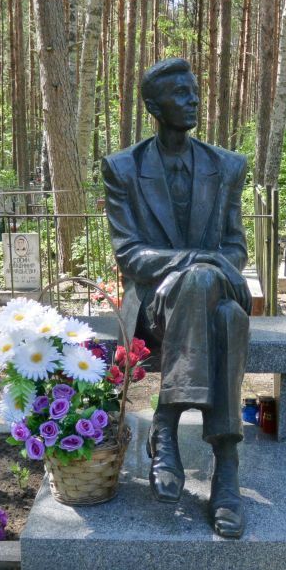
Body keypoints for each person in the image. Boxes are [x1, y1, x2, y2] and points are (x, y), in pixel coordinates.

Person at [101, 58, 252, 538]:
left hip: (211, 288)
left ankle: (166, 423)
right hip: (153, 305)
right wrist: (197, 262)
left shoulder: (227, 166)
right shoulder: (123, 169)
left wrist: (204, 268)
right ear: (153, 106)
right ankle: (226, 466)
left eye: (194, 90)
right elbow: (130, 254)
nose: (193, 100)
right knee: (225, 317)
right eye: (181, 94)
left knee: (209, 288)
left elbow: (235, 248)